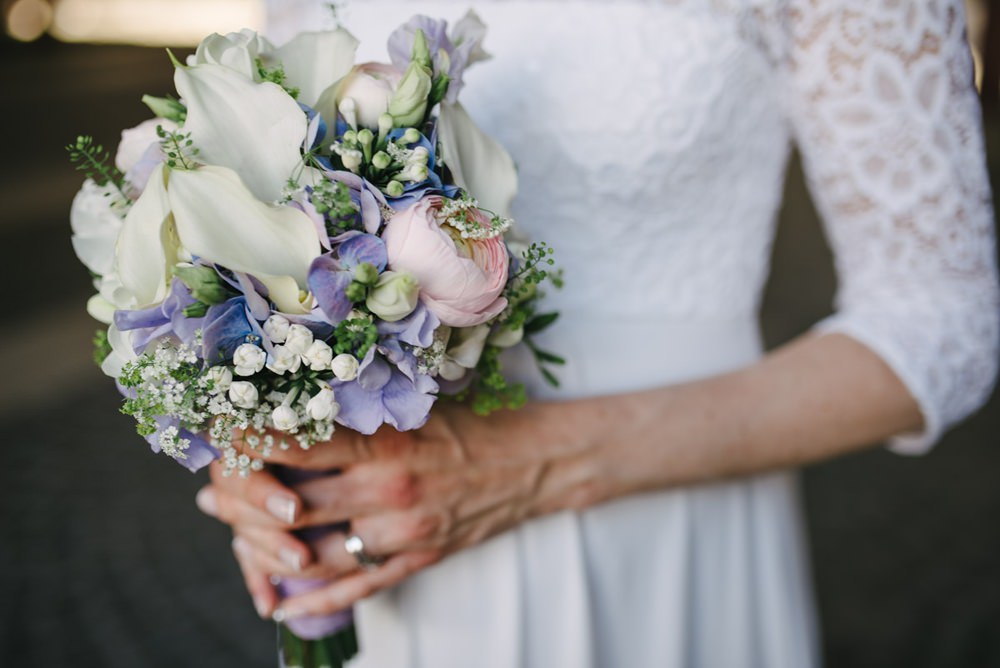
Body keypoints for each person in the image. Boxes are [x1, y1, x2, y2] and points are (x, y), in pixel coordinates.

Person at [193, 1, 1000, 666]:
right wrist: (264, 426)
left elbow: (946, 321)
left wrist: (533, 462)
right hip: (395, 551)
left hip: (668, 540)